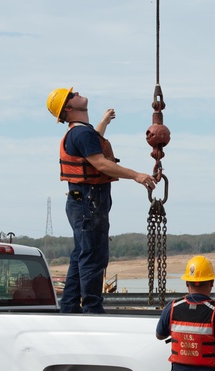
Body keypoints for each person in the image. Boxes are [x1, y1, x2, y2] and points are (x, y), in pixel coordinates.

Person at [46, 87, 156, 313]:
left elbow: (93, 143)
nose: (77, 92)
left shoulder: (81, 133)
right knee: (93, 258)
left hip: (82, 202)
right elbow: (101, 163)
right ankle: (92, 310)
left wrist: (103, 122)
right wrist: (137, 175)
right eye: (72, 94)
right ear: (68, 107)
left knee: (81, 256)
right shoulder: (82, 134)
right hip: (90, 203)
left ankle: (69, 308)